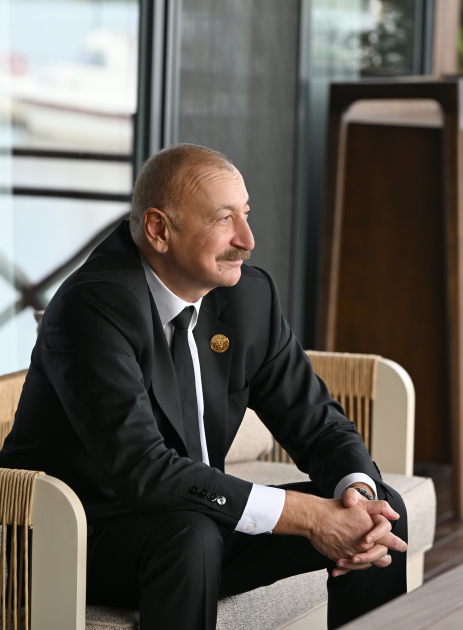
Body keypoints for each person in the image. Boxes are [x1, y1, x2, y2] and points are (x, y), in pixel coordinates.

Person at [0, 144, 407, 630]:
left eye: (246, 214)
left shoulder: (249, 296)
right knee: (191, 536)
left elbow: (317, 424)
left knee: (381, 512)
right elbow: (145, 471)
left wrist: (356, 494)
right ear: (158, 230)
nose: (247, 239)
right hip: (74, 534)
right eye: (223, 219)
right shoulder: (92, 308)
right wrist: (310, 515)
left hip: (195, 514)